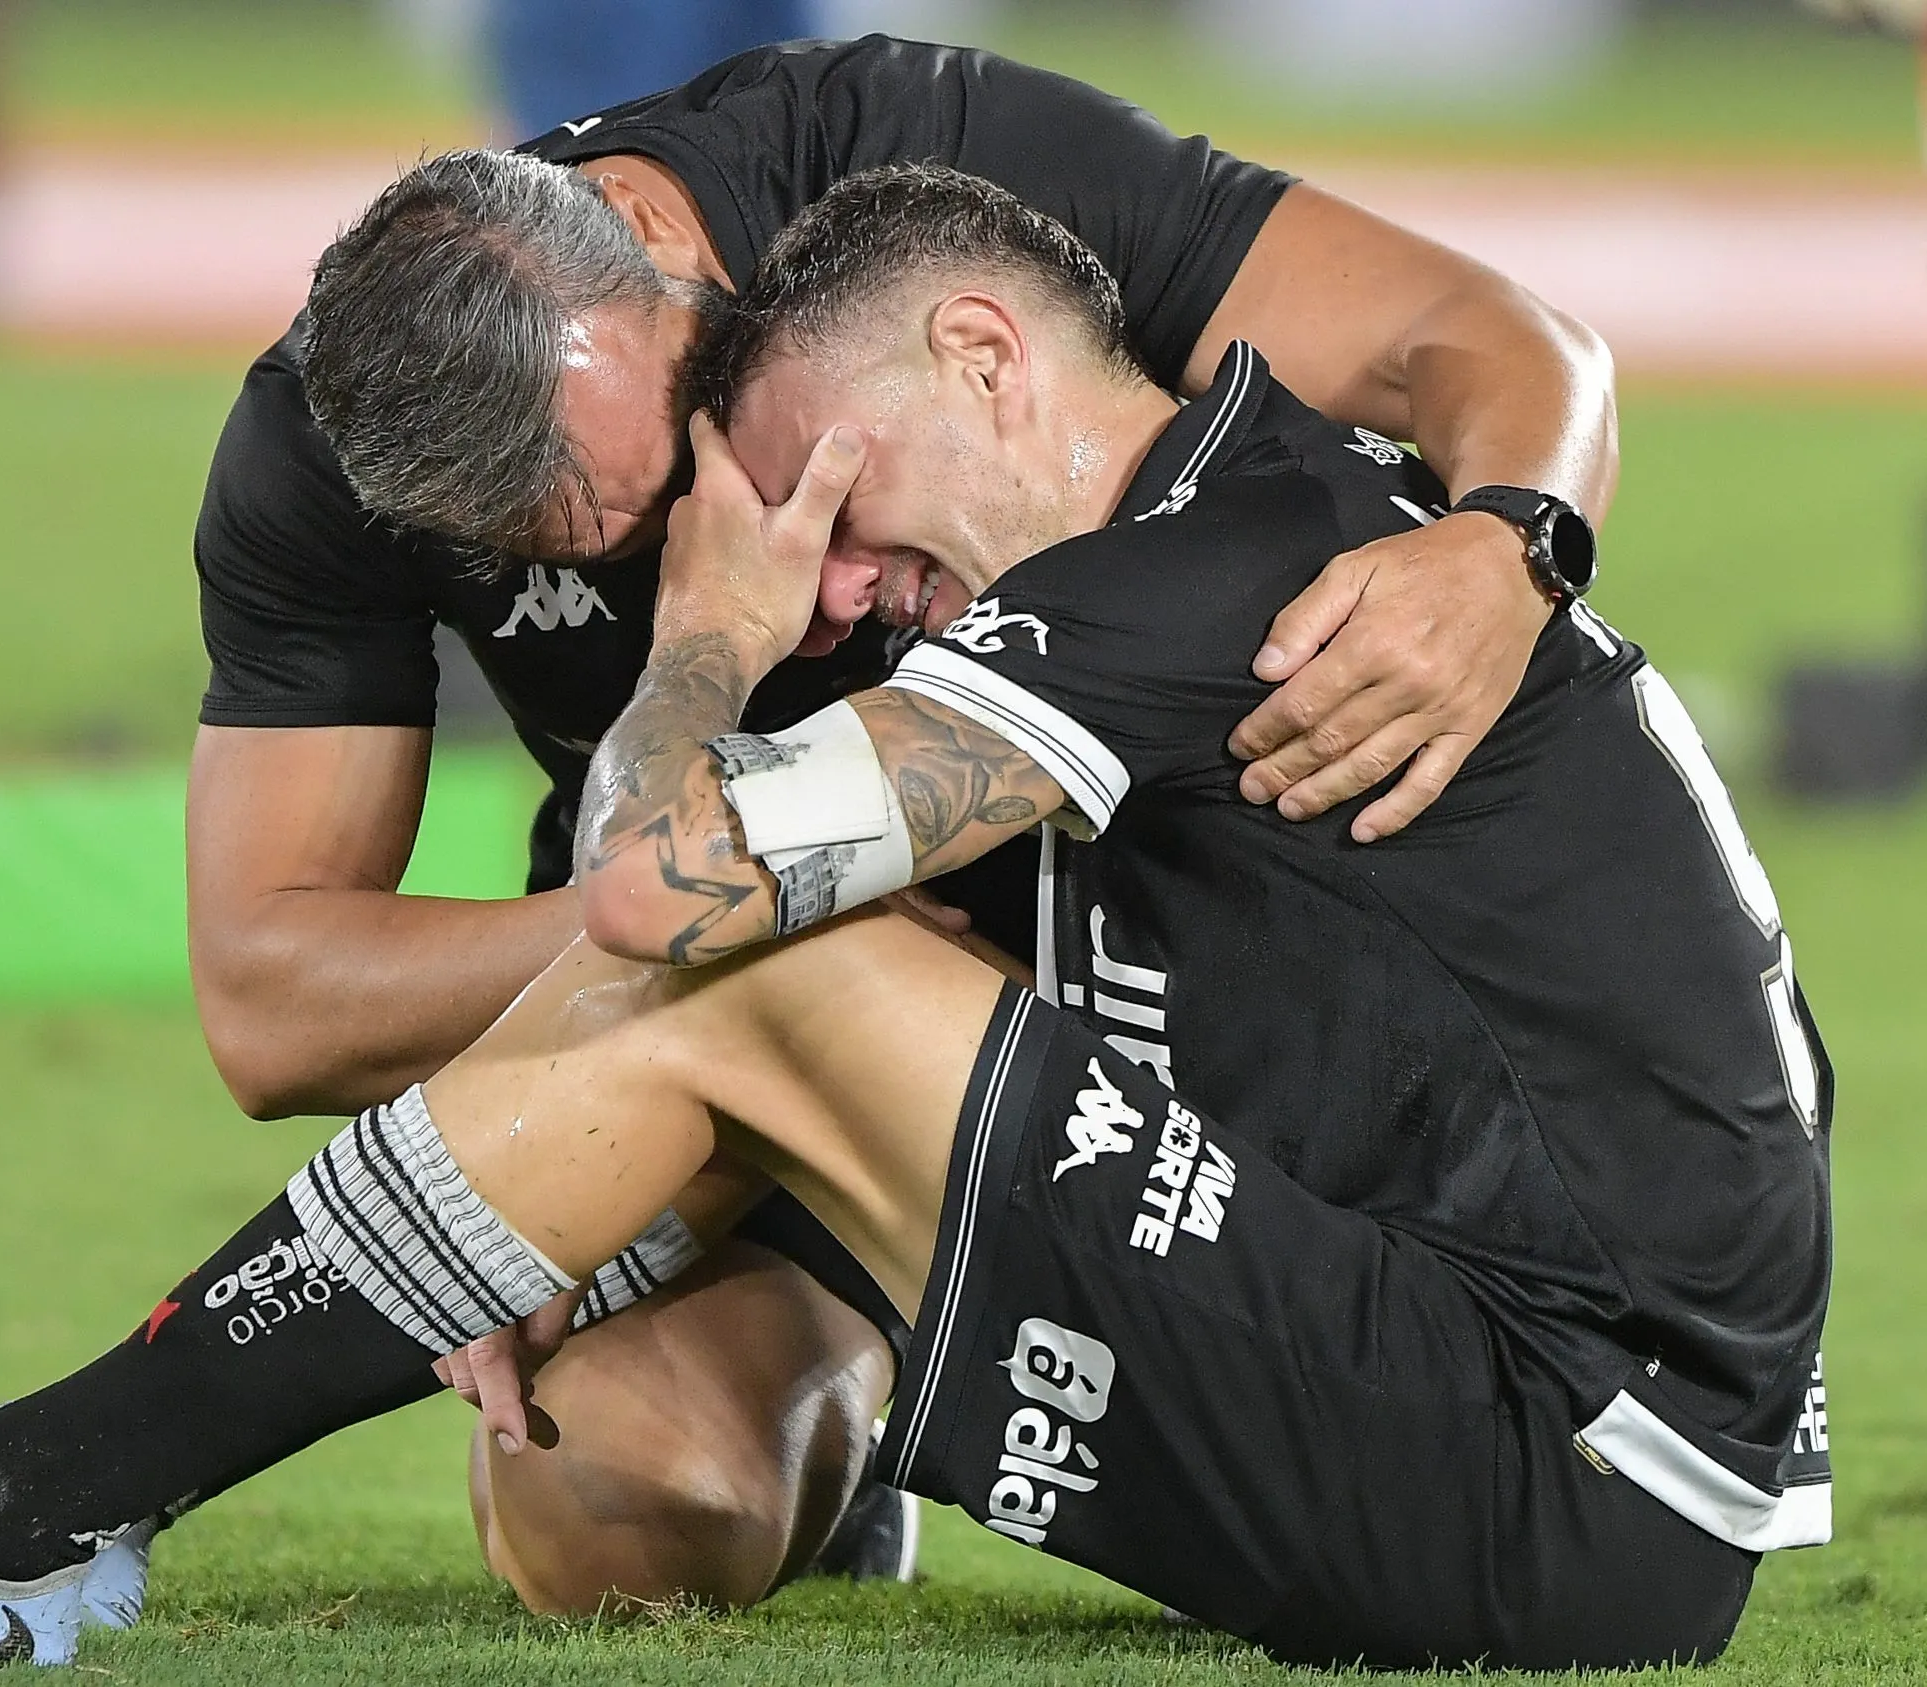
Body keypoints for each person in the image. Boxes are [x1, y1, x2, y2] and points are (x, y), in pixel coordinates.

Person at [0, 162, 1830, 1671]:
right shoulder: (1230, 541)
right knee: (603, 1496)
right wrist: (548, 1212)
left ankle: (2, 1506)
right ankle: (806, 1444)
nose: (835, 580)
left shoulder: (1189, 579)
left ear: (987, 359)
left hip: (1563, 1468)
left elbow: (657, 895)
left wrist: (709, 643)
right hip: (1517, 1400)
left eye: (832, 494)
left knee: (758, 942)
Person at [182, 36, 1616, 1603]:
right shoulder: (329, 445)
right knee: (607, 1513)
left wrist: (1511, 547)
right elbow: (272, 1004)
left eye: (696, 468)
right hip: (751, 997)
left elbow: (1487, 338)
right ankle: (862, 1397)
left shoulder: (922, 156)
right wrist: (773, 922)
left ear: (657, 244)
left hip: (1161, 967)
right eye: (594, 553)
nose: (785, 574)